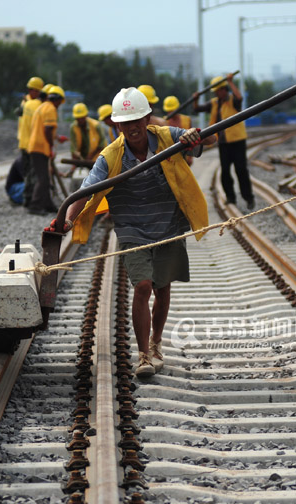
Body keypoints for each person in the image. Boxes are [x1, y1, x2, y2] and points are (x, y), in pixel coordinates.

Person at [48, 87, 216, 379]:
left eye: (137, 120)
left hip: (168, 224)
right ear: (116, 125)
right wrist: (67, 219)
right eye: (125, 123)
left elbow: (213, 138)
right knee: (143, 286)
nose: (133, 127)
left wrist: (194, 136)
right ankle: (142, 355)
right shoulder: (111, 156)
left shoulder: (168, 137)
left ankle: (156, 342)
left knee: (163, 288)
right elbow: (84, 191)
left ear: (148, 117)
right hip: (132, 228)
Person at [192, 72, 254, 209]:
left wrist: (231, 82)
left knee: (241, 170)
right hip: (223, 143)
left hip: (237, 141)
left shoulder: (233, 100)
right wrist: (196, 99)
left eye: (217, 91)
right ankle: (230, 198)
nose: (215, 94)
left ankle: (248, 198)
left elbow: (240, 97)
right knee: (225, 171)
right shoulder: (214, 103)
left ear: (223, 89)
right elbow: (197, 108)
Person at [27, 85, 66, 214]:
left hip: (35, 146)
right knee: (43, 178)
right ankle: (35, 206)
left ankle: (48, 204)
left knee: (45, 177)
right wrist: (51, 146)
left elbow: (45, 129)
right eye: (60, 102)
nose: (60, 104)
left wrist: (57, 138)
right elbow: (47, 130)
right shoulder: (51, 109)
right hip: (40, 147)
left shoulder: (42, 107)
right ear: (58, 99)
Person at [18, 76, 44, 208]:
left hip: (24, 142)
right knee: (33, 173)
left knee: (28, 172)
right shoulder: (35, 105)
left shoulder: (25, 103)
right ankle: (32, 200)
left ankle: (27, 199)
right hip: (31, 144)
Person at [164, 96, 193, 165]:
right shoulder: (163, 122)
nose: (171, 112)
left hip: (185, 154)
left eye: (172, 110)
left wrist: (190, 157)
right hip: (170, 157)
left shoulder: (187, 119)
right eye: (169, 110)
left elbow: (191, 139)